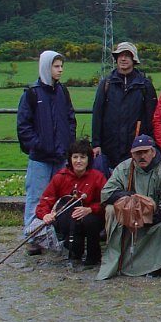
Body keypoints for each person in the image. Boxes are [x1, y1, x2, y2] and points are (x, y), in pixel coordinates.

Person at [16, 49, 76, 254]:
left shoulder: (62, 92)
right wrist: (39, 144)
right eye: (56, 66)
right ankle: (33, 236)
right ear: (45, 67)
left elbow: (70, 119)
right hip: (40, 158)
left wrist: (68, 143)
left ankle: (56, 233)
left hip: (60, 156)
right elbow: (24, 126)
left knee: (60, 197)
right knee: (36, 197)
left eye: (61, 66)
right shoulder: (32, 94)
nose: (60, 70)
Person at [97, 134, 161, 280]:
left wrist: (146, 216)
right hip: (128, 216)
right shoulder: (125, 168)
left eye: (145, 152)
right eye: (138, 153)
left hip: (155, 219)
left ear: (153, 152)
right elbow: (106, 194)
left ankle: (155, 266)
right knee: (111, 210)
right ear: (132, 154)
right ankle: (117, 259)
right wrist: (129, 198)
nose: (142, 156)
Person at [35, 138, 106, 267]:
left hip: (91, 216)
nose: (78, 161)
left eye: (82, 157)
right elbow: (46, 199)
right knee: (68, 219)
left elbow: (105, 202)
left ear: (89, 159)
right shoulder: (60, 177)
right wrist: (45, 214)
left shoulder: (98, 177)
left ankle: (93, 255)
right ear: (70, 159)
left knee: (90, 222)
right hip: (68, 218)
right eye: (75, 157)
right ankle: (74, 251)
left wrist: (90, 209)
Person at [91, 41, 157, 170]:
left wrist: (151, 143)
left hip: (136, 147)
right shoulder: (106, 84)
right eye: (120, 55)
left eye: (127, 55)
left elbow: (152, 117)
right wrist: (96, 143)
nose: (123, 58)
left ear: (134, 59)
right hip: (109, 147)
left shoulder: (144, 85)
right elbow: (97, 114)